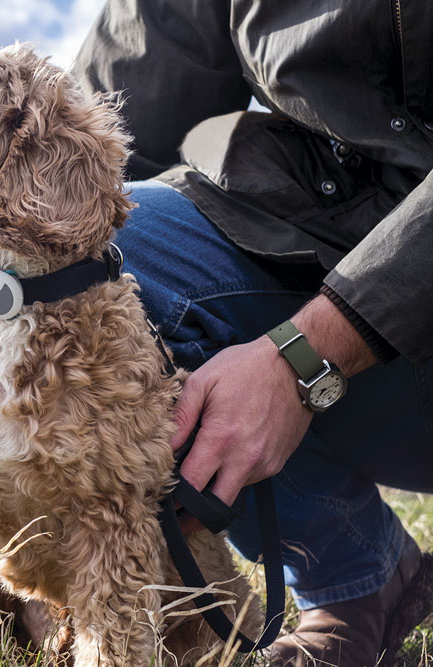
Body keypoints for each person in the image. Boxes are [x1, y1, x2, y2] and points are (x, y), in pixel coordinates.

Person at [70, 1, 433, 664]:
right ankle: (359, 578)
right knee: (93, 267)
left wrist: (305, 358)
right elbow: (99, 150)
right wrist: (10, 381)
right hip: (334, 252)